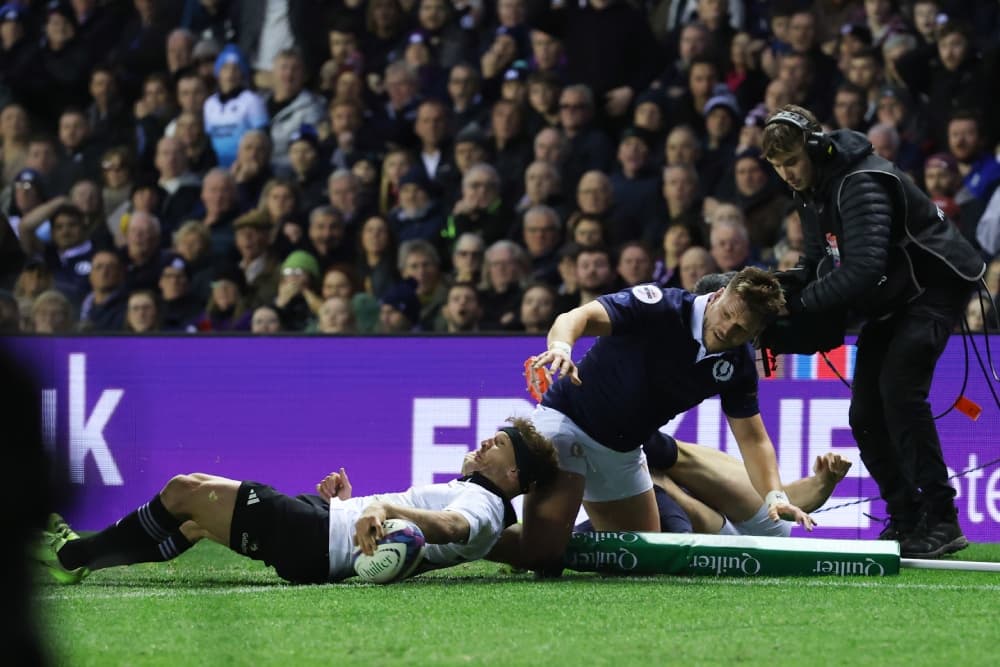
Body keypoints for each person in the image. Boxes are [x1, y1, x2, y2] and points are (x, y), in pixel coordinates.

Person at [761, 104, 986, 559]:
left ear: (816, 149)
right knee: (865, 413)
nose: (787, 174)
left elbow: (862, 269)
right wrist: (776, 293)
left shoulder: (860, 181)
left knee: (900, 392)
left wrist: (802, 304)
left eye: (792, 163)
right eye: (778, 167)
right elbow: (816, 262)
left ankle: (941, 519)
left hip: (934, 288)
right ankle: (905, 517)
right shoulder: (811, 188)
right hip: (894, 297)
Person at [488, 266, 813, 572]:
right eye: (727, 315)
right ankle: (456, 534)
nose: (728, 329)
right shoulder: (659, 306)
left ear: (757, 333)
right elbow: (579, 316)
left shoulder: (738, 364)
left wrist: (775, 496)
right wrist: (561, 347)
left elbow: (753, 439)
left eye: (742, 329)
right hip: (568, 425)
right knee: (543, 555)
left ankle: (546, 539)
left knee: (640, 561)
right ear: (718, 295)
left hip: (622, 452)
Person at [36, 417, 558, 585]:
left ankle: (72, 557)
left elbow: (448, 527)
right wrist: (358, 505)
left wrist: (384, 511)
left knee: (182, 491)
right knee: (192, 522)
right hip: (324, 527)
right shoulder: (483, 501)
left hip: (315, 540)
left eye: (500, 444)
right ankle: (84, 558)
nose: (486, 441)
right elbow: (485, 546)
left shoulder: (485, 507)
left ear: (513, 474)